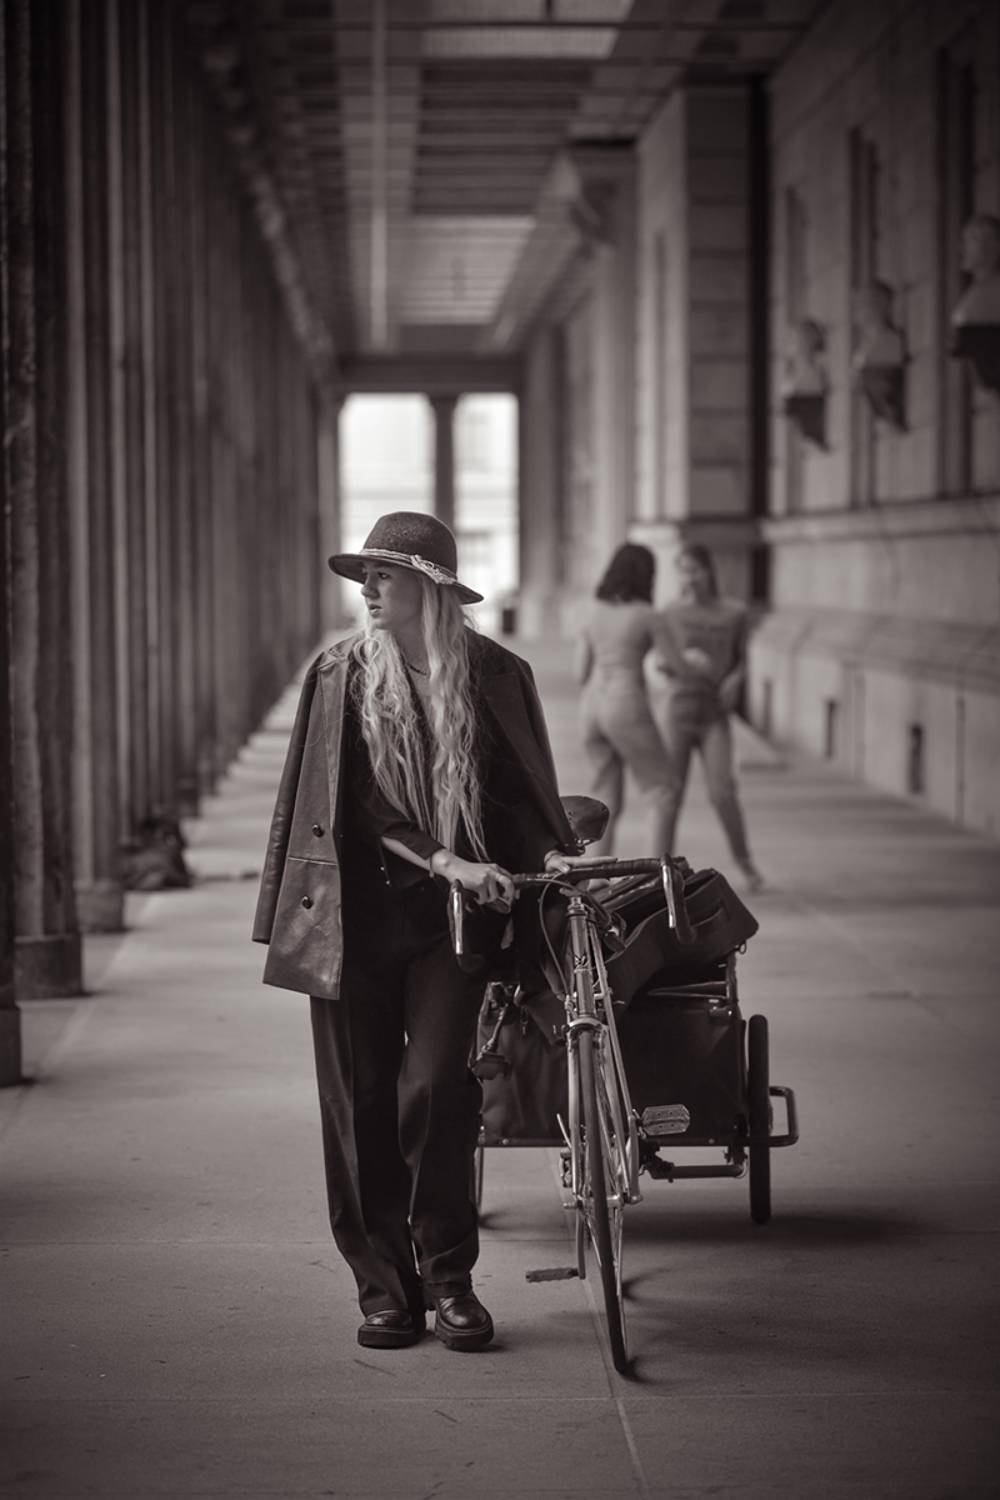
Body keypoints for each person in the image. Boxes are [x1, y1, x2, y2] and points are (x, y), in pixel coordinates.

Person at [252, 512, 580, 1354]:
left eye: (385, 576)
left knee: (438, 1090)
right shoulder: (342, 675)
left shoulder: (496, 674)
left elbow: (519, 792)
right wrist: (449, 860)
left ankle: (451, 1280)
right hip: (353, 919)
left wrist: (542, 853)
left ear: (430, 588)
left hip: (452, 926)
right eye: (364, 576)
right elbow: (355, 805)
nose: (367, 589)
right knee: (358, 1105)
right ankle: (384, 1289)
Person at [651, 543, 764, 892]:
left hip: (714, 714)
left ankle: (745, 863)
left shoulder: (733, 613)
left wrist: (736, 680)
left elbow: (742, 660)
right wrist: (680, 661)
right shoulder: (670, 613)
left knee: (723, 792)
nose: (689, 577)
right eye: (683, 570)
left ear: (709, 571)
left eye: (695, 569)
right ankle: (658, 873)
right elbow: (659, 663)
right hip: (678, 710)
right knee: (669, 795)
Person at [575, 542, 676, 857]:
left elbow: (580, 671)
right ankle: (657, 881)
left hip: (591, 705)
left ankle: (597, 884)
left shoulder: (592, 611)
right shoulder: (647, 615)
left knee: (605, 800)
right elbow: (673, 664)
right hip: (625, 701)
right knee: (662, 792)